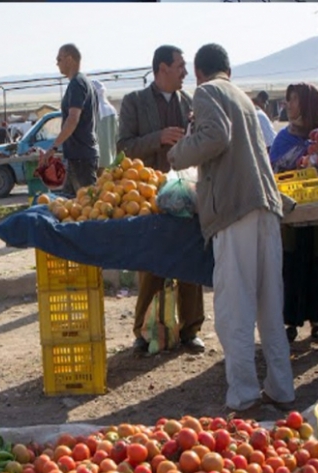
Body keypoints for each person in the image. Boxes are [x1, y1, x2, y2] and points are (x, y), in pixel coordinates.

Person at [168, 43, 295, 413]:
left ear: (198, 72)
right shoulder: (240, 95)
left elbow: (215, 137)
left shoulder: (207, 91)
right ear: (229, 69)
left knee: (235, 309)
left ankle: (244, 396)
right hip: (266, 208)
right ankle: (281, 389)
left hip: (235, 212)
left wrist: (178, 155)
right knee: (270, 307)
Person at [117, 44, 205, 353]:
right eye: (180, 65)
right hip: (149, 196)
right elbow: (124, 146)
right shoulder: (134, 102)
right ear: (162, 69)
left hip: (187, 192)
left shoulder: (190, 102)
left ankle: (191, 329)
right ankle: (145, 331)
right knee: (151, 263)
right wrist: (159, 138)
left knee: (191, 259)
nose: (185, 71)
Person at [269, 83, 318, 342]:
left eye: (293, 100)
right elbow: (273, 169)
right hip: (292, 213)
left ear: (307, 104)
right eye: (288, 100)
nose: (289, 105)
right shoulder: (284, 137)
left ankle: (317, 321)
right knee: (292, 262)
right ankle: (291, 322)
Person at [40, 43, 99, 195]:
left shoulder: (77, 84)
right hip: (78, 156)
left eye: (59, 59)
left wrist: (53, 147)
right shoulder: (84, 82)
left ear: (69, 59)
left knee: (87, 206)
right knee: (68, 205)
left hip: (81, 157)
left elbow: (73, 119)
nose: (57, 63)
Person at [92, 80, 118, 170]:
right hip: (112, 158)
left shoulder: (93, 112)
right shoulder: (111, 109)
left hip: (97, 160)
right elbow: (117, 135)